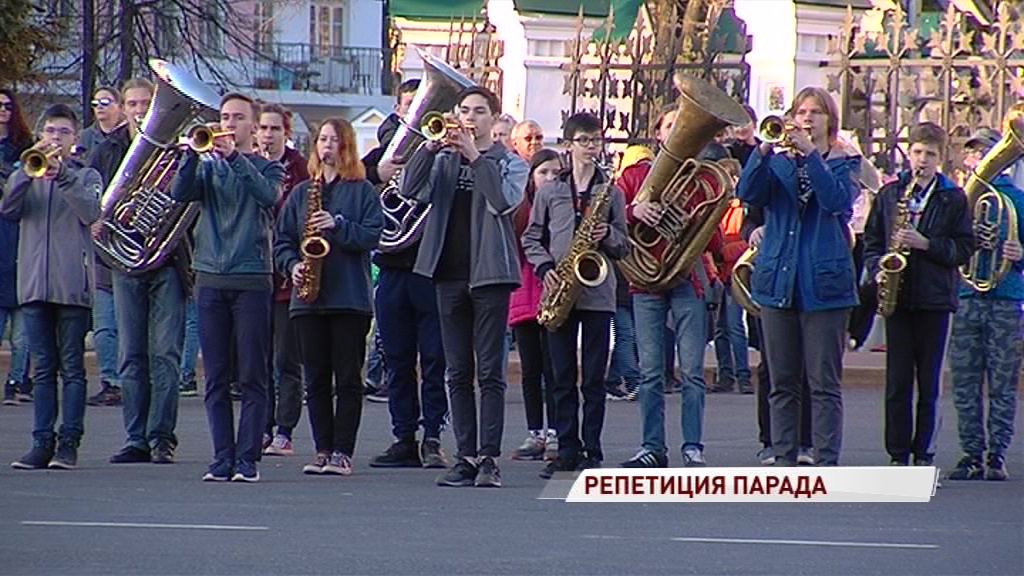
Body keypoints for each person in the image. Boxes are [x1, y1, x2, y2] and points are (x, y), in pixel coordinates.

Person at [401, 86, 527, 488]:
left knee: (489, 371)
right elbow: (408, 189)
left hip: (489, 273)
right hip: (448, 273)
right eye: (464, 111)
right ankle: (466, 456)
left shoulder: (509, 162)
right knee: (457, 371)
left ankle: (489, 458)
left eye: (478, 112)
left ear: (493, 118)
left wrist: (474, 156)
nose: (470, 118)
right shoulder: (444, 159)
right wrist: (428, 148)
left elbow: (503, 201)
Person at [736, 87, 861, 467]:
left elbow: (837, 202)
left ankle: (825, 460)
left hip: (825, 283)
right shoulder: (777, 161)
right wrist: (761, 152)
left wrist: (811, 155)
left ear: (830, 121)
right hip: (778, 280)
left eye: (816, 112)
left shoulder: (846, 162)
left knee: (823, 382)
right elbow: (747, 192)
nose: (807, 118)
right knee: (781, 380)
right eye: (801, 111)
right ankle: (783, 455)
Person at [169, 93, 285, 482]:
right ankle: (222, 456)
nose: (229, 124)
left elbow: (267, 197)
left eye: (238, 118)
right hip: (210, 279)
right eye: (224, 117)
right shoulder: (207, 167)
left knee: (252, 374)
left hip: (251, 277)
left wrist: (235, 158)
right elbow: (179, 193)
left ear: (253, 126)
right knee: (215, 376)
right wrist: (188, 156)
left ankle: (248, 457)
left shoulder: (268, 167)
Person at [274, 117, 383, 476]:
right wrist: (291, 266)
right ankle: (322, 449)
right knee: (315, 378)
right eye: (322, 139)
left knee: (347, 378)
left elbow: (371, 236)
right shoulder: (303, 192)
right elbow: (283, 241)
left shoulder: (362, 190)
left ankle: (343, 452)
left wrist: (338, 225)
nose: (326, 146)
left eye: (334, 140)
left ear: (346, 146)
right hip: (308, 299)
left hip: (349, 298)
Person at [522, 112, 628, 477]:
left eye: (596, 140)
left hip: (598, 291)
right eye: (583, 140)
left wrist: (608, 237)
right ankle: (567, 447)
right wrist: (545, 269)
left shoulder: (610, 191)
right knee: (561, 375)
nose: (590, 147)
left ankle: (592, 449)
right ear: (568, 146)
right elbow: (531, 238)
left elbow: (624, 245)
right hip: (560, 289)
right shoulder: (551, 191)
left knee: (595, 378)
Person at [864, 122, 975, 466]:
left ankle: (923, 452)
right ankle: (897, 453)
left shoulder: (952, 197)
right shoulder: (890, 194)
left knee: (928, 383)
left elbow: (964, 247)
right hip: (898, 296)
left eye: (929, 154)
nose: (921, 160)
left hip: (934, 298)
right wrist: (877, 267)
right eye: (916, 152)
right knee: (897, 382)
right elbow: (871, 241)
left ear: (940, 158)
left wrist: (926, 244)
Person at [618, 105, 722, 468]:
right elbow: (609, 215)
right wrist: (635, 212)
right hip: (645, 280)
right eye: (670, 125)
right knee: (649, 371)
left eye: (683, 124)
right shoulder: (634, 175)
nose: (678, 129)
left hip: (686, 278)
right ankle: (652, 447)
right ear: (658, 133)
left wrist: (693, 226)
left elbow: (714, 240)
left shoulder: (703, 178)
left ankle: (693, 446)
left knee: (692, 370)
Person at [5, 104, 102, 469]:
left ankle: (69, 443)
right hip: (33, 284)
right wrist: (25, 175)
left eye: (62, 132)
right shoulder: (27, 170)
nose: (55, 138)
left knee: (73, 369)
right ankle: (41, 443)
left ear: (75, 139)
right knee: (42, 368)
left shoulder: (86, 175)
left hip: (71, 285)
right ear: (40, 135)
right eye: (49, 131)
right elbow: (9, 209)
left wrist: (63, 176)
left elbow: (92, 212)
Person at [365, 79, 451, 469]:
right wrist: (376, 174)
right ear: (399, 112)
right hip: (392, 270)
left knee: (434, 359)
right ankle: (403, 436)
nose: (413, 115)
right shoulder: (379, 157)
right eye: (407, 107)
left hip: (430, 270)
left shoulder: (443, 156)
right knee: (396, 359)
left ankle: (432, 436)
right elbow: (355, 192)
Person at [946, 128, 1023, 481]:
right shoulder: (960, 199)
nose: (980, 158)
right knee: (964, 381)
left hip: (1006, 298)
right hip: (967, 297)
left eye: (988, 151)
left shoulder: (1018, 201)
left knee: (1002, 382)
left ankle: (997, 454)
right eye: (975, 152)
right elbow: (946, 247)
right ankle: (971, 452)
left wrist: (1020, 255)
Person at [88, 78, 155, 408]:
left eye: (145, 104)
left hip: (155, 257)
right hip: (110, 256)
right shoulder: (106, 150)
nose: (140, 111)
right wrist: (94, 218)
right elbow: (89, 195)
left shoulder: (168, 149)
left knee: (149, 342)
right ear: (123, 109)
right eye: (133, 104)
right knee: (107, 330)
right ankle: (112, 384)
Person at [256, 103, 309, 456]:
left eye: (275, 128)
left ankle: (284, 429)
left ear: (286, 133)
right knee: (255, 360)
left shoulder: (299, 169)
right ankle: (261, 426)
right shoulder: (247, 162)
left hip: (286, 278)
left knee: (286, 359)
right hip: (254, 272)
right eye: (263, 128)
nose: (268, 134)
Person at [508, 148, 561, 461]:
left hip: (554, 293)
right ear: (531, 178)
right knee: (531, 369)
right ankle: (535, 432)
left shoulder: (565, 203)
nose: (550, 179)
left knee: (554, 367)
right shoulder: (522, 207)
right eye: (543, 173)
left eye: (555, 173)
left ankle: (555, 431)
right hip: (525, 293)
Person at [0, 88, 34, 406]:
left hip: (19, 237)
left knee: (22, 331)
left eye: (8, 106)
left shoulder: (23, 148)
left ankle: (17, 381)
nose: (3, 111)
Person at [79, 87, 125, 160]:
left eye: (105, 102)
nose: (99, 106)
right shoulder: (84, 137)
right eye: (95, 103)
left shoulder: (128, 135)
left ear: (120, 106)